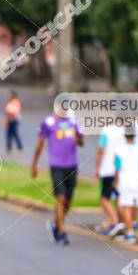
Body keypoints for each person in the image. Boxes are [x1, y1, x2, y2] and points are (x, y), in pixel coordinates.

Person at [30, 96, 83, 246]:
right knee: (60, 198)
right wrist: (34, 164)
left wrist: (77, 139)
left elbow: (81, 141)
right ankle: (62, 232)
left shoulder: (74, 122)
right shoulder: (48, 122)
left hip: (71, 166)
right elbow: (40, 143)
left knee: (67, 201)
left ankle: (55, 224)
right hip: (56, 165)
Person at [94, 123, 126, 237]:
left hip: (108, 169)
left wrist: (97, 167)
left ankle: (115, 221)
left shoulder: (106, 130)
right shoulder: (125, 130)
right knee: (119, 197)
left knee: (104, 198)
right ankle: (122, 222)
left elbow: (101, 150)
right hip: (121, 169)